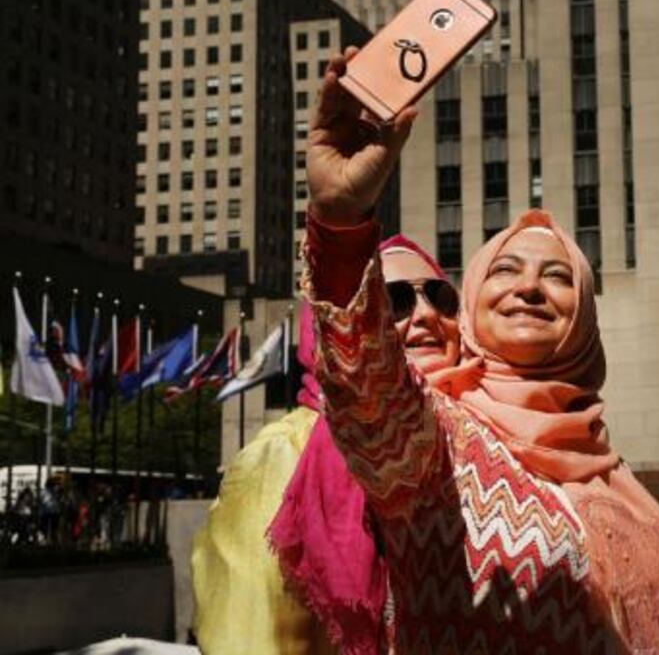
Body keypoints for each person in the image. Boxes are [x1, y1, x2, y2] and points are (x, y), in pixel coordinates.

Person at [303, 46, 659, 654]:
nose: (529, 288)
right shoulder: (432, 443)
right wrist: (340, 221)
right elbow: (366, 384)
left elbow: (648, 642)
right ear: (473, 306)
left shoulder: (610, 471)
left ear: (584, 317)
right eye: (505, 271)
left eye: (558, 276)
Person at [191, 236, 466, 655]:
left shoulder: (481, 443)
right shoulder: (283, 456)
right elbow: (251, 638)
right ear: (340, 331)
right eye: (393, 301)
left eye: (441, 298)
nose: (427, 314)